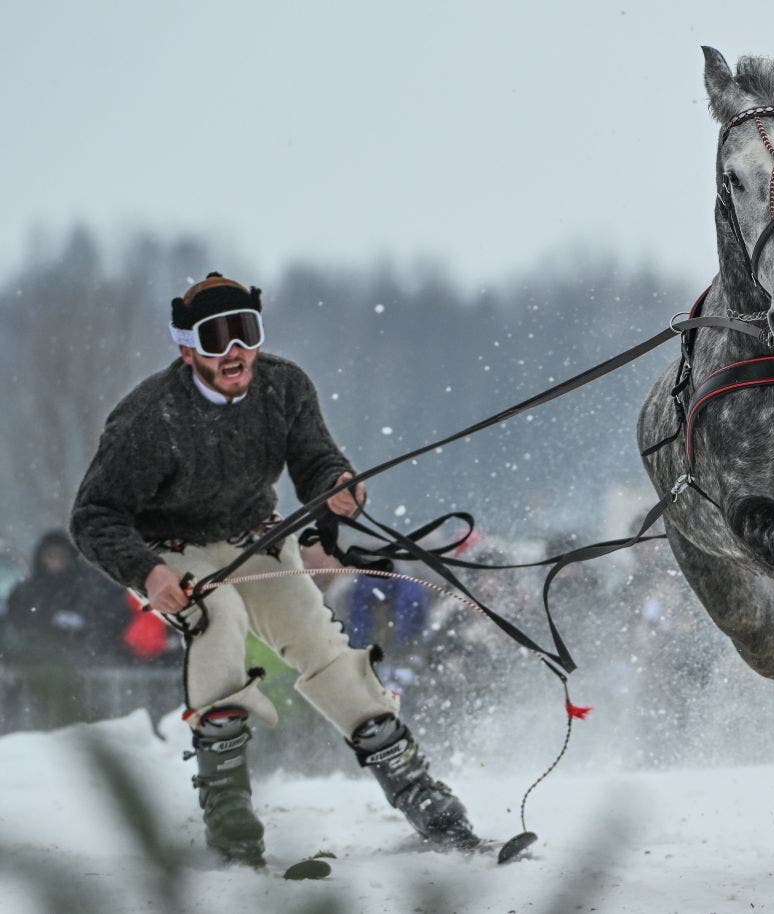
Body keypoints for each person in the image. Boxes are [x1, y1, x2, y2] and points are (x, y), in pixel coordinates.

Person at [70, 273, 479, 867]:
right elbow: (94, 516)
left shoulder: (284, 386)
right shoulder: (147, 419)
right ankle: (229, 814)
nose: (235, 351)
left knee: (322, 644)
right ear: (187, 351)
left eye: (246, 332)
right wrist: (149, 573)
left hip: (256, 539)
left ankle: (418, 790)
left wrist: (335, 486)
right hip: (173, 551)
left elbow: (315, 457)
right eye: (216, 338)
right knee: (220, 620)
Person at [3, 530, 129, 668]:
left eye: (60, 556)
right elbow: (18, 624)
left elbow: (107, 623)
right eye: (51, 556)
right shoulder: (27, 592)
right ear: (41, 558)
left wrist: (82, 626)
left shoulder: (89, 589)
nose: (55, 562)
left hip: (84, 665)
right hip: (37, 666)